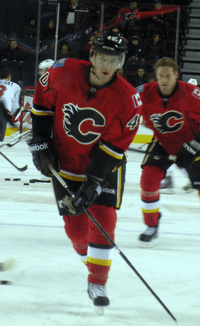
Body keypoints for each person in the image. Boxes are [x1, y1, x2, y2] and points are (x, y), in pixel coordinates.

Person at [28, 29, 142, 313]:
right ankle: (90, 261)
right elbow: (42, 107)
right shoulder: (61, 71)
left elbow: (114, 148)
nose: (107, 65)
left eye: (114, 60)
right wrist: (41, 142)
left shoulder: (129, 100)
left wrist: (92, 185)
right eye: (102, 57)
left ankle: (98, 282)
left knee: (104, 219)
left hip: (102, 166)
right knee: (76, 231)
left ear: (122, 62)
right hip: (65, 162)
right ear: (91, 55)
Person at [137, 57, 200, 247]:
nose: (164, 80)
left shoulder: (191, 93)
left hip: (193, 145)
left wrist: (195, 146)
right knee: (148, 181)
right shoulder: (143, 93)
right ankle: (151, 225)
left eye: (168, 76)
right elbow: (122, 107)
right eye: (160, 76)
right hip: (164, 143)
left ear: (176, 75)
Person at [0, 68, 22, 141]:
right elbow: (15, 105)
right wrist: (10, 115)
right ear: (9, 77)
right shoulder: (15, 86)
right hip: (3, 112)